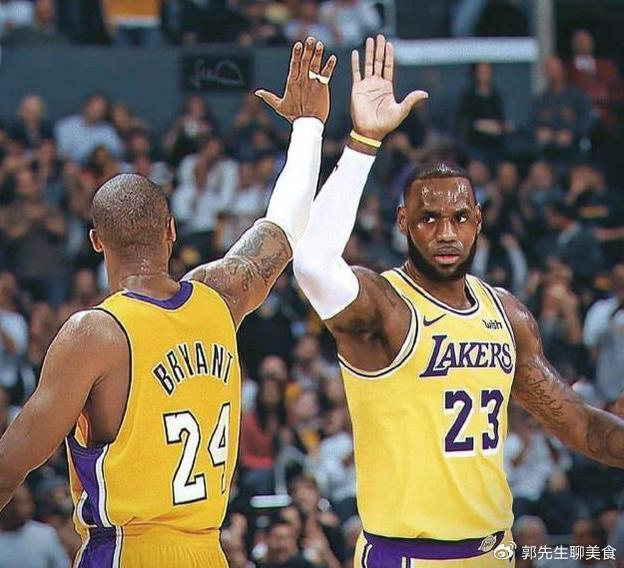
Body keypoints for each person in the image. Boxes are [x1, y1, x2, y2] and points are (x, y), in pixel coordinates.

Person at [0, 37, 336, 567]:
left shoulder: (95, 334)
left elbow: (9, 466)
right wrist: (309, 126)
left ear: (97, 242)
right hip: (207, 550)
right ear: (172, 231)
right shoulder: (221, 296)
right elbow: (282, 229)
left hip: (128, 551)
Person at [292, 34, 624, 567]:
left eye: (459, 218)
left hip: (495, 550)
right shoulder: (385, 306)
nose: (446, 232)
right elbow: (311, 264)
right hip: (407, 555)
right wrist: (363, 141)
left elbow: (581, 425)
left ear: (478, 222)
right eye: (429, 218)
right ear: (403, 222)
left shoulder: (506, 314)